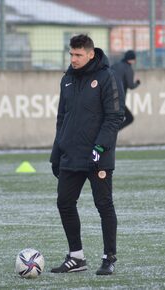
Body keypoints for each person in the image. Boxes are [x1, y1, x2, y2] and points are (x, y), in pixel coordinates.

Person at [49, 34, 125, 275]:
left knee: (103, 204)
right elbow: (62, 118)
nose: (73, 59)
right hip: (71, 154)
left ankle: (109, 257)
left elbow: (115, 117)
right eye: (71, 54)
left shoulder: (106, 77)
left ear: (91, 54)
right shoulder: (67, 80)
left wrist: (100, 148)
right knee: (64, 202)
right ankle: (76, 257)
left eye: (78, 55)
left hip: (98, 156)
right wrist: (56, 152)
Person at [111, 50, 141, 130]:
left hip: (107, 98)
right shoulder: (128, 69)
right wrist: (137, 83)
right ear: (132, 59)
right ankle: (113, 131)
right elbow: (131, 86)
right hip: (119, 100)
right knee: (130, 118)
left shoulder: (114, 66)